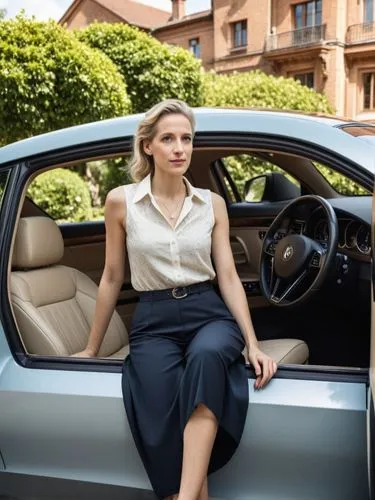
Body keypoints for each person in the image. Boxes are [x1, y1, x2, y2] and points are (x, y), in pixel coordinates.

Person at [73, 99, 278, 500]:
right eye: (168, 139)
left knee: (206, 360)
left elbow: (229, 277)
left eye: (186, 138)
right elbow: (113, 276)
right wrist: (91, 348)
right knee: (159, 414)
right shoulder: (121, 201)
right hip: (153, 320)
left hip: (209, 313)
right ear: (148, 146)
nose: (179, 148)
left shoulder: (211, 203)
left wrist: (252, 342)